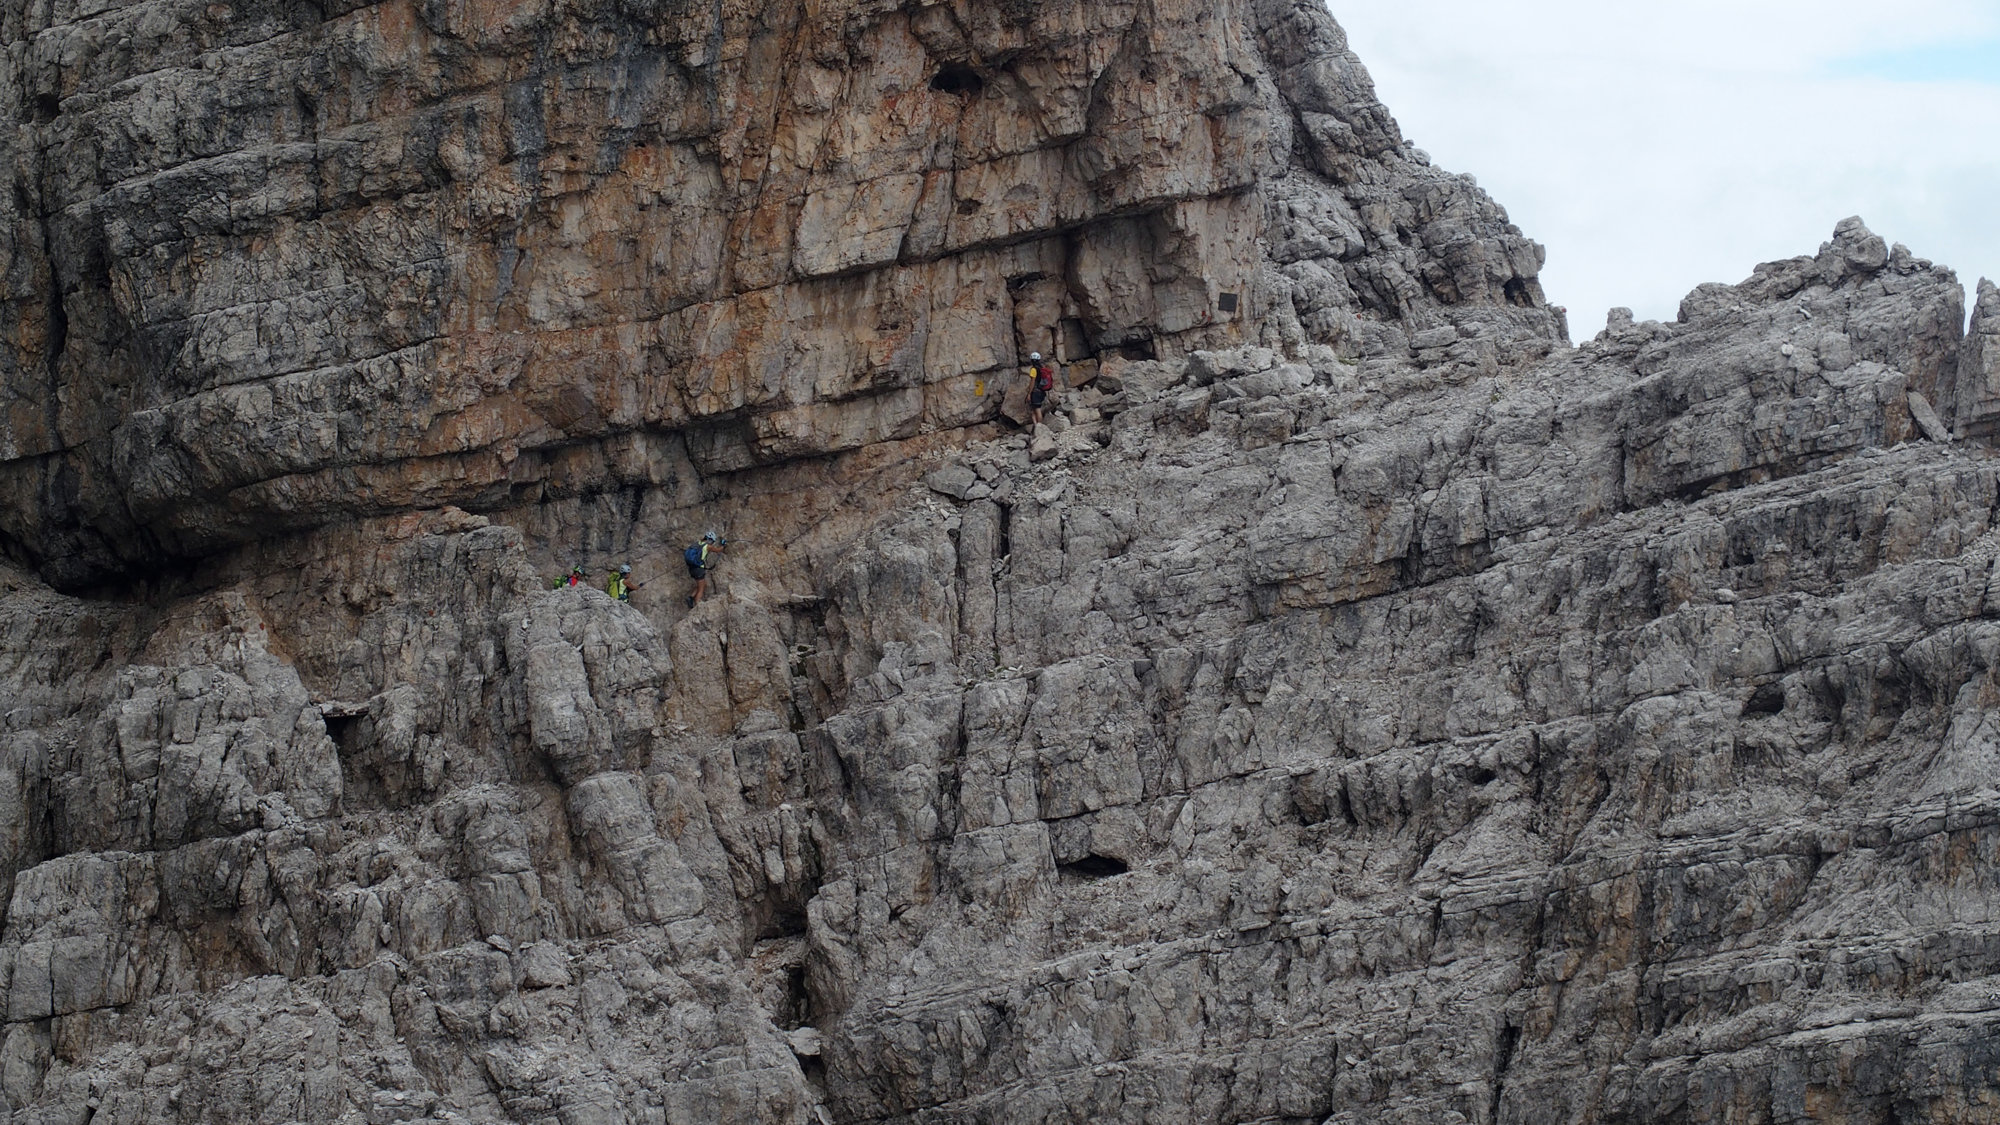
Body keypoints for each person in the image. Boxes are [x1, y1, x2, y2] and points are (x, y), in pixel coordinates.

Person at [684, 531, 725, 607]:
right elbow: (719, 550)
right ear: (710, 539)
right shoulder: (707, 546)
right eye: (712, 541)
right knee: (701, 588)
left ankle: (691, 597)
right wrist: (723, 544)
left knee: (702, 584)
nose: (712, 543)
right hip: (699, 569)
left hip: (692, 568)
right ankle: (697, 604)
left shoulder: (697, 543)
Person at [1025, 350, 1057, 425]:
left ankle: (1040, 427)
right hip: (1042, 391)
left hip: (1035, 392)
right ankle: (1036, 426)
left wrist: (1029, 393)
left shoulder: (1033, 369)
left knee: (1037, 409)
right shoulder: (1041, 368)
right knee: (1033, 410)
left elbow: (1033, 381)